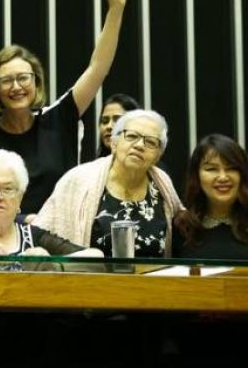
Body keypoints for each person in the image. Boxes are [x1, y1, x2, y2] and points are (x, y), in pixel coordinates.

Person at [0, 0, 128, 215]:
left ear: (36, 81)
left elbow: (98, 68)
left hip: (61, 236)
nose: (16, 87)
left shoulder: (58, 118)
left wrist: (115, 10)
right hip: (4, 239)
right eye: (6, 80)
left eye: (23, 77)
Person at [33, 109, 182, 257]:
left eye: (150, 142)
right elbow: (39, 234)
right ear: (114, 143)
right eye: (131, 136)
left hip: (152, 279)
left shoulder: (164, 186)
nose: (139, 145)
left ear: (158, 155)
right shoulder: (78, 179)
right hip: (90, 278)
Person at [172, 134, 248, 261]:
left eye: (231, 168)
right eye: (211, 169)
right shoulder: (181, 226)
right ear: (196, 176)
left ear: (242, 174)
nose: (223, 177)